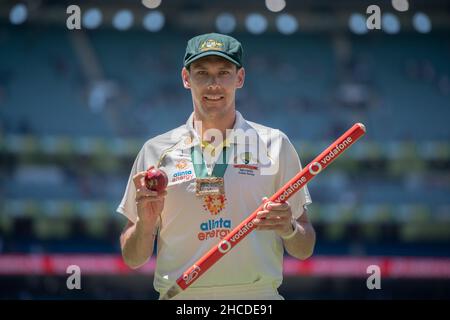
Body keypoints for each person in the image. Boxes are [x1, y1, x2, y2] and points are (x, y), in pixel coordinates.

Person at [117, 33, 316, 300]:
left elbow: (305, 247)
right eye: (202, 73)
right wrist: (145, 225)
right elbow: (133, 259)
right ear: (186, 78)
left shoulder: (275, 145)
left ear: (240, 78)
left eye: (223, 72)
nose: (213, 84)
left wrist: (288, 228)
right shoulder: (155, 151)